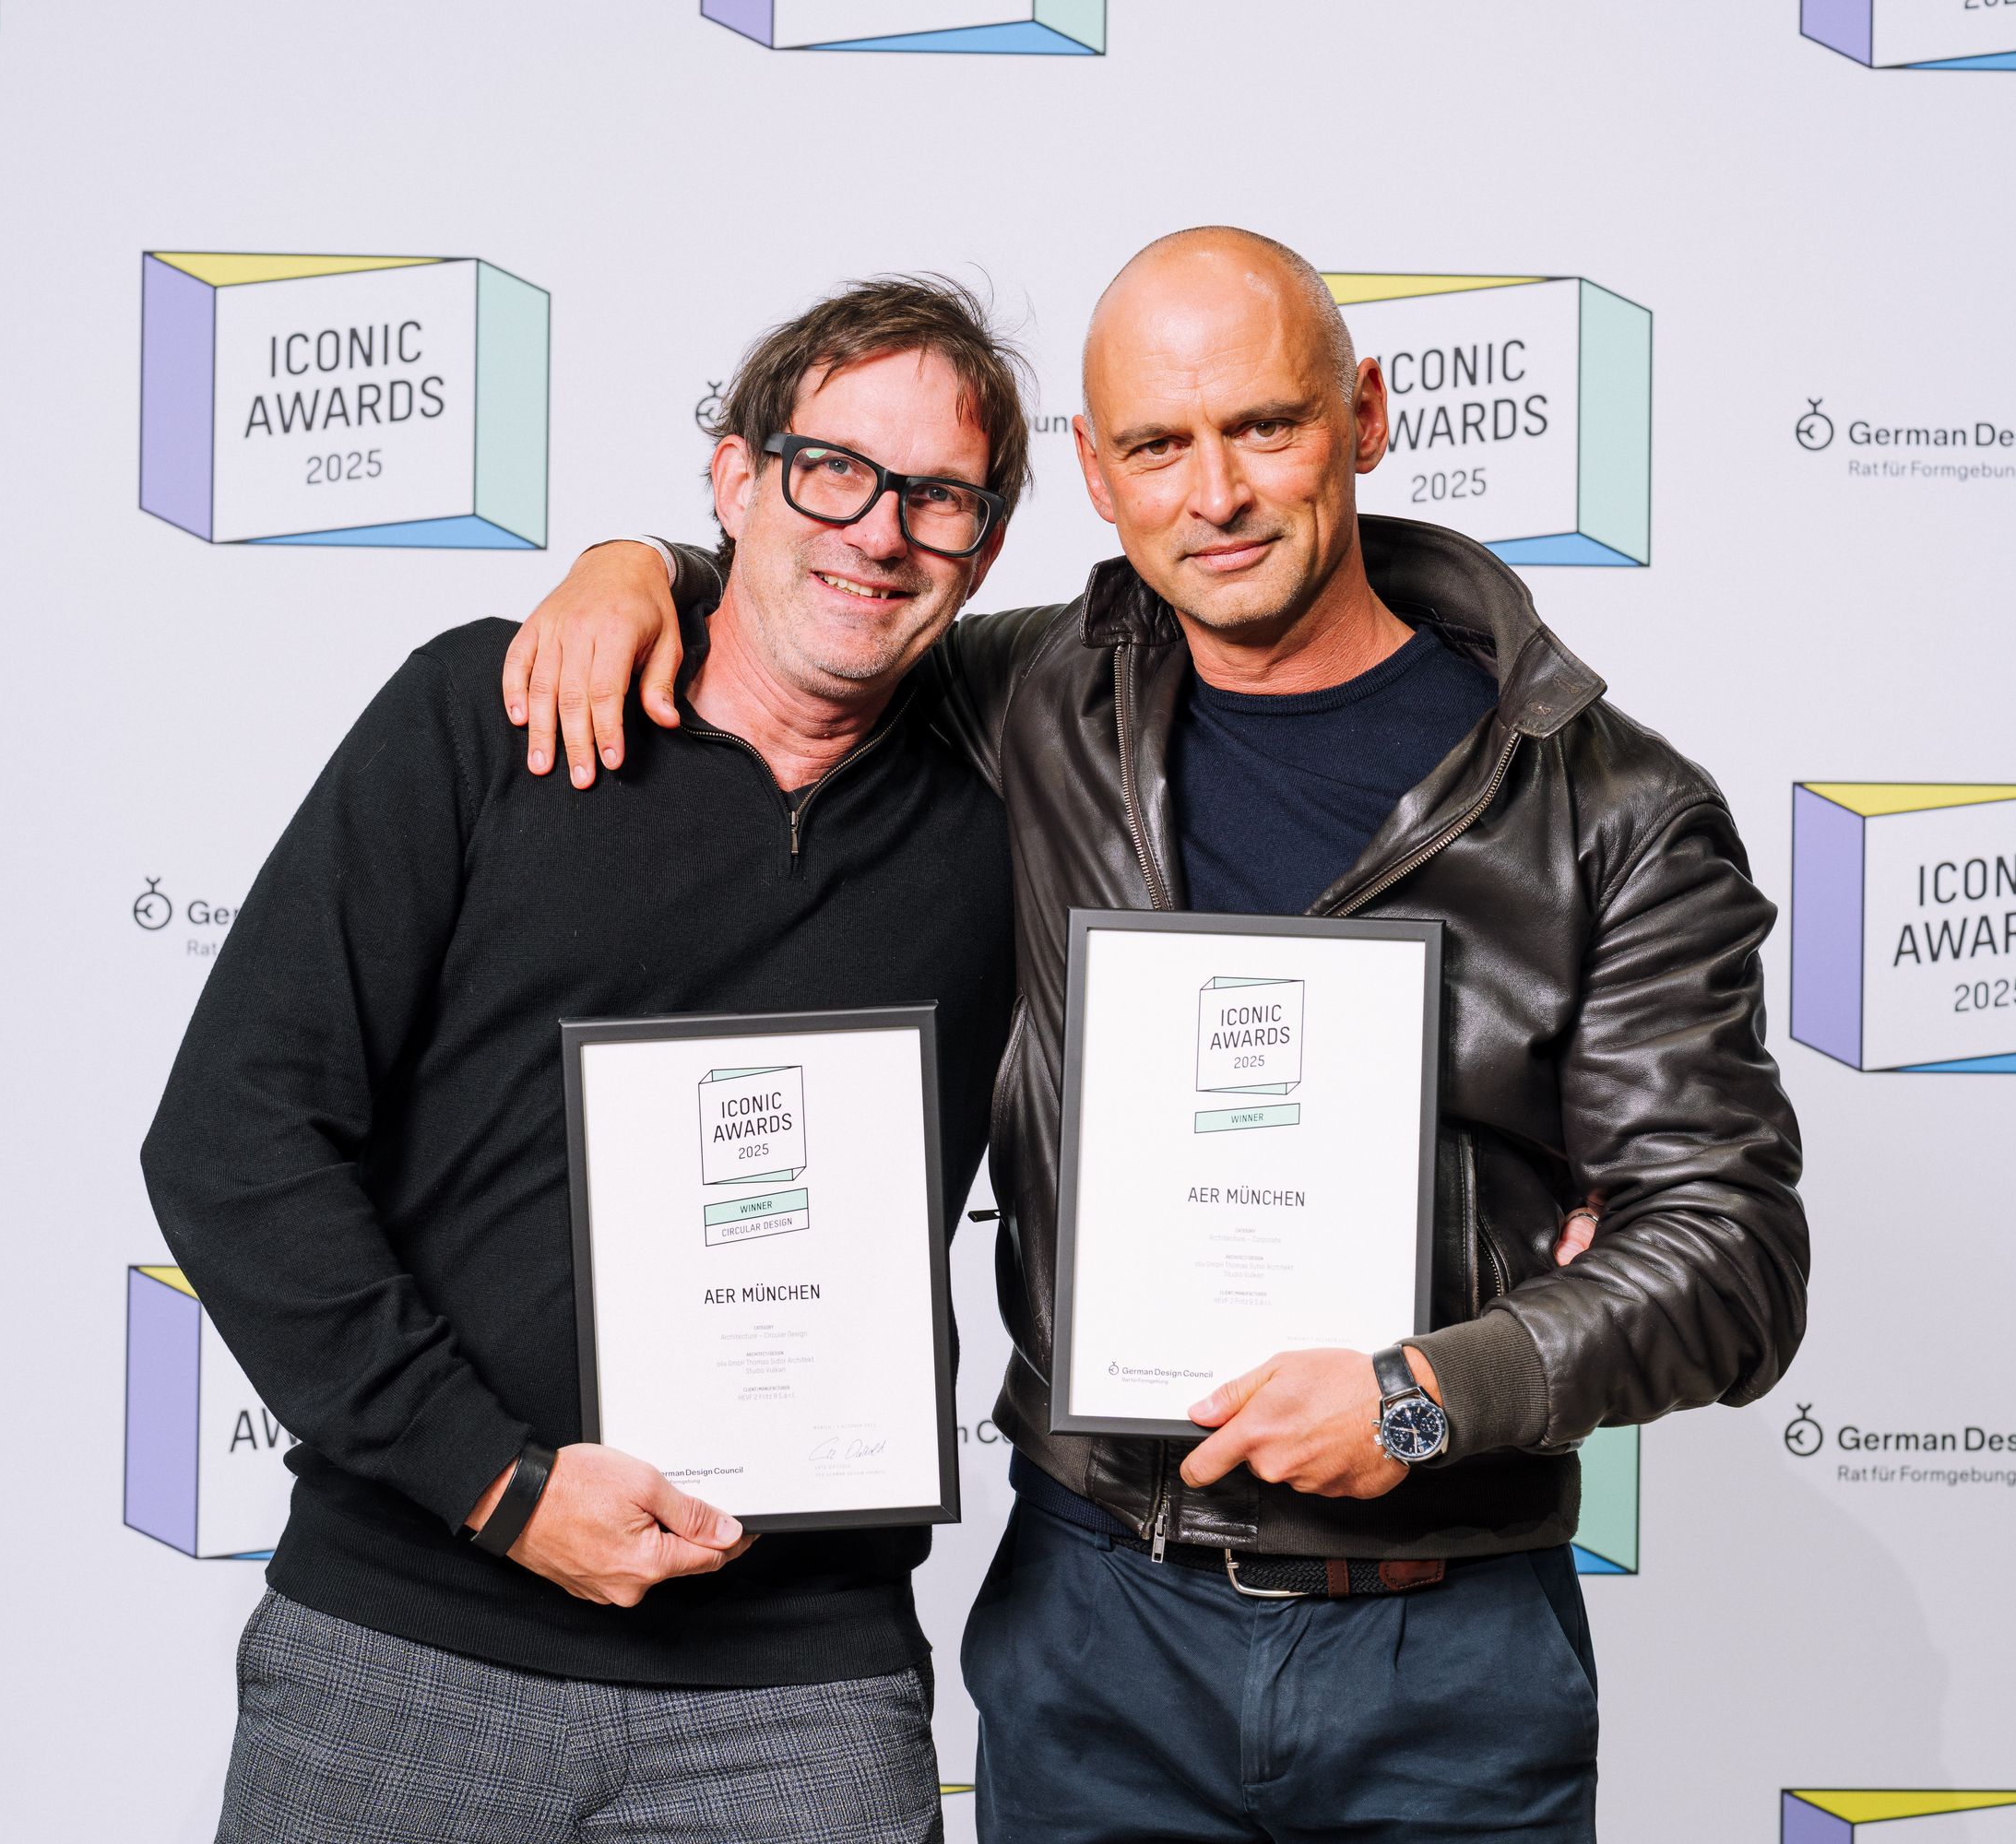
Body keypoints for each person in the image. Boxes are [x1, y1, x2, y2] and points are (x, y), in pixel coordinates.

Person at [497, 226, 1809, 1842]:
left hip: (1446, 1648)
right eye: (1159, 446)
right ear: (1097, 478)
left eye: (1265, 426)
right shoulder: (1042, 694)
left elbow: (1736, 1258)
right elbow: (836, 590)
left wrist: (1423, 1393)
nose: (1218, 494)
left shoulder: (1610, 808)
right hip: (1098, 1619)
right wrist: (635, 566)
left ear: (1364, 417)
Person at [139, 276, 1034, 1844]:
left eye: (938, 496)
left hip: (801, 1693)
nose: (879, 531)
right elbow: (235, 1136)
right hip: (405, 1643)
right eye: (831, 470)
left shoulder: (1014, 810)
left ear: (989, 545)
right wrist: (497, 1486)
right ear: (733, 479)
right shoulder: (487, 716)